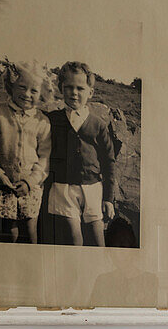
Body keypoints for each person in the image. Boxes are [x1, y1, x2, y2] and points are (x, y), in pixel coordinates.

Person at [47, 62, 118, 246]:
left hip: (93, 187)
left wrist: (108, 199)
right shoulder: (53, 120)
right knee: (74, 238)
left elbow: (109, 161)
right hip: (63, 188)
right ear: (60, 89)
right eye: (68, 87)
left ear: (90, 92)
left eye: (80, 88)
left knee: (97, 239)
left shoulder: (98, 124)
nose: (74, 93)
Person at [0, 61, 52, 243]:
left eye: (34, 91)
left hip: (30, 185)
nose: (27, 94)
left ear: (42, 93)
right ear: (11, 85)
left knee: (31, 232)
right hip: (2, 183)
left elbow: (44, 157)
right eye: (22, 87)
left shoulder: (42, 121)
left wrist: (30, 182)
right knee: (10, 233)